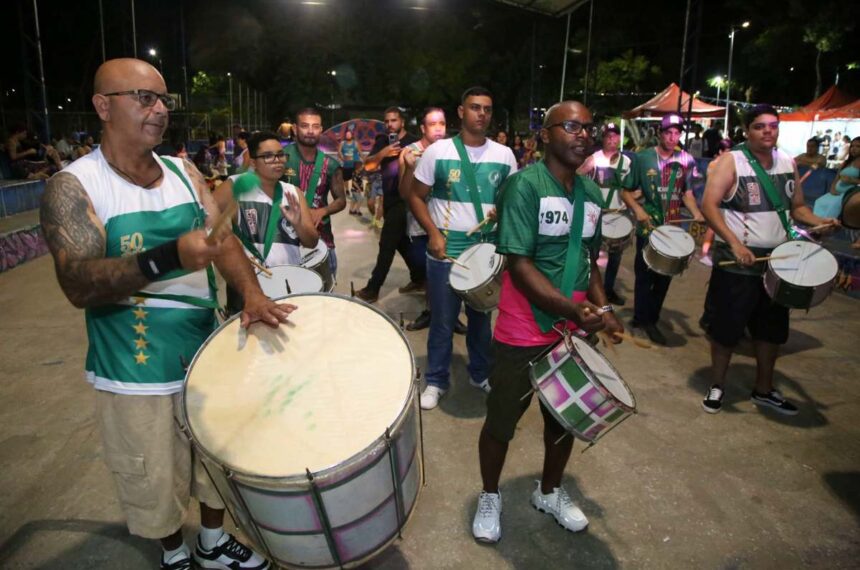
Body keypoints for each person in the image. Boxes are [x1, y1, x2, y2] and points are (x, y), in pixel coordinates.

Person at [38, 58, 290, 570]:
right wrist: (166, 256)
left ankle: (212, 542)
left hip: (203, 353)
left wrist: (252, 294)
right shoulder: (75, 186)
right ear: (103, 106)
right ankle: (173, 550)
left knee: (218, 456)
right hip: (135, 368)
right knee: (154, 474)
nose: (159, 110)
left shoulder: (182, 171)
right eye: (144, 98)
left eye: (163, 100)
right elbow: (77, 284)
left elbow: (222, 240)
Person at [472, 100, 624, 544]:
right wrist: (572, 310)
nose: (583, 135)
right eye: (571, 126)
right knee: (502, 421)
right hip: (524, 329)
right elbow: (519, 265)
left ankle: (550, 491)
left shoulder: (592, 194)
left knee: (564, 418)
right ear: (545, 135)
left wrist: (603, 310)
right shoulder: (524, 186)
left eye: (589, 128)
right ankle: (489, 494)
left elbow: (590, 263)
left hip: (573, 330)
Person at [700, 104, 839, 415]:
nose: (767, 131)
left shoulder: (787, 161)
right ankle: (717, 384)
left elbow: (797, 207)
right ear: (747, 130)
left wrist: (819, 223)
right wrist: (735, 244)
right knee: (726, 329)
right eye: (760, 126)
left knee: (771, 331)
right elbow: (708, 205)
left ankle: (763, 389)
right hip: (737, 263)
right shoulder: (731, 161)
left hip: (777, 263)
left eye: (773, 126)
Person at [408, 86, 518, 410]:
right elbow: (415, 196)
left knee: (481, 322)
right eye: (474, 107)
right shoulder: (438, 152)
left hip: (486, 253)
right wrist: (432, 233)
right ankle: (436, 380)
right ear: (461, 111)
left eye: (486, 108)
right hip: (446, 251)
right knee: (443, 321)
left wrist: (503, 211)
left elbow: (511, 199)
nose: (481, 114)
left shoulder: (504, 155)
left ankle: (480, 373)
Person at [621, 113, 705, 345]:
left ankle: (651, 319)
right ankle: (641, 317)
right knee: (644, 274)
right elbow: (625, 191)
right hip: (648, 226)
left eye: (677, 133)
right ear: (659, 133)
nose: (672, 137)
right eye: (668, 132)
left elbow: (687, 193)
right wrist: (638, 210)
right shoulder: (643, 158)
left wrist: (696, 212)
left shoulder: (686, 159)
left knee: (665, 275)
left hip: (673, 227)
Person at [214, 131, 319, 312]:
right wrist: (229, 240)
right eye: (268, 156)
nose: (277, 161)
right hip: (249, 290)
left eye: (280, 155)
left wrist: (298, 223)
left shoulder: (293, 192)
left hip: (289, 285)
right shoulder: (236, 186)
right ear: (253, 162)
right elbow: (204, 219)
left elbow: (311, 242)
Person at [400, 107, 466, 334]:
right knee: (428, 272)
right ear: (422, 128)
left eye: (442, 123)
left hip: (447, 224)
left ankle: (450, 315)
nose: (438, 129)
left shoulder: (453, 150)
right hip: (420, 225)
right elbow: (404, 193)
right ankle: (432, 312)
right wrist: (410, 168)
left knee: (451, 273)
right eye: (432, 124)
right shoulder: (410, 152)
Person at [355, 107, 422, 302]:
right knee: (400, 242)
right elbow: (368, 165)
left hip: (406, 200)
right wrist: (382, 153)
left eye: (394, 120)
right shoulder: (382, 141)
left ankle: (373, 288)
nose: (390, 124)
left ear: (402, 122)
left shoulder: (413, 141)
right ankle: (419, 278)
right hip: (389, 199)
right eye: (387, 121)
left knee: (386, 244)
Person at [282, 108, 346, 279]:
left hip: (321, 241)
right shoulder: (281, 158)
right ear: (295, 129)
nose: (310, 131)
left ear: (321, 130)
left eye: (315, 126)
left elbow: (341, 200)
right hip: (284, 241)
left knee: (324, 291)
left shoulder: (330, 164)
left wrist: (322, 211)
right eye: (305, 126)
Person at [577, 122, 634, 305]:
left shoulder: (627, 162)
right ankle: (588, 289)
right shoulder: (594, 158)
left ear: (619, 138)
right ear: (603, 138)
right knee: (592, 254)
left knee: (615, 257)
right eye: (608, 136)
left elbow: (633, 188)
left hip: (619, 214)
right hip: (597, 214)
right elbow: (577, 176)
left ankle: (608, 290)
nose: (612, 139)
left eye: (615, 135)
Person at [814, 136, 860, 219]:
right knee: (819, 202)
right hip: (835, 193)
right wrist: (832, 189)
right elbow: (836, 178)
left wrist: (852, 180)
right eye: (852, 146)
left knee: (833, 206)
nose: (854, 149)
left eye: (858, 146)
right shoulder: (846, 162)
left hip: (849, 195)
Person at [338, 129, 362, 213]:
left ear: (352, 135)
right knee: (345, 179)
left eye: (349, 134)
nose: (348, 135)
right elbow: (339, 152)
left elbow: (360, 152)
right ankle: (347, 190)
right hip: (346, 164)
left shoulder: (356, 143)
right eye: (347, 134)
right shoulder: (342, 143)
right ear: (345, 136)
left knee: (355, 179)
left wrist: (364, 160)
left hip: (355, 164)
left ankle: (355, 191)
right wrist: (342, 158)